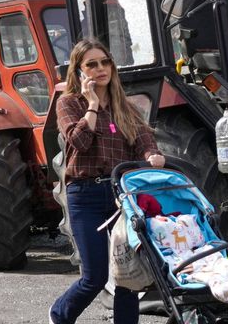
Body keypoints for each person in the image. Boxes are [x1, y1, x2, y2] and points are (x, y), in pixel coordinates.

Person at [49, 38, 165, 324]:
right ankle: (59, 316)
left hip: (119, 196)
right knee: (95, 276)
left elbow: (144, 141)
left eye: (105, 62)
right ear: (79, 71)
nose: (101, 69)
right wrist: (91, 105)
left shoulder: (124, 107)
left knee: (127, 276)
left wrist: (152, 155)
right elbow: (78, 141)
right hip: (84, 195)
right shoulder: (68, 103)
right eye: (92, 64)